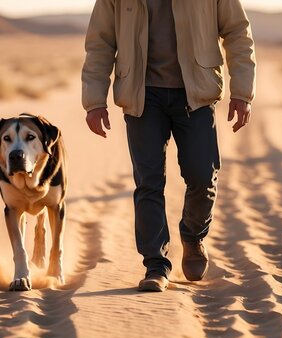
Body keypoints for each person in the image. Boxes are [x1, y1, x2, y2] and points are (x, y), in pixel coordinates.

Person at [81, 0, 256, 292]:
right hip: (142, 96)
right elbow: (100, 42)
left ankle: (193, 236)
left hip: (196, 93)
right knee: (148, 182)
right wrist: (94, 100)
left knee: (203, 176)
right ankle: (155, 265)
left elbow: (238, 32)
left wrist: (243, 92)